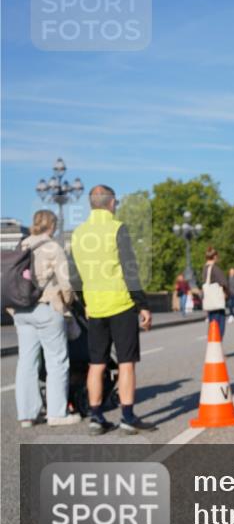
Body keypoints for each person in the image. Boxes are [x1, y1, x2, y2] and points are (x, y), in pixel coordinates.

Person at [68, 184, 156, 435]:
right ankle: (127, 417)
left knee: (96, 364)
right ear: (111, 202)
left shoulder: (78, 233)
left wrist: (85, 304)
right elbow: (130, 269)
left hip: (95, 307)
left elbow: (75, 276)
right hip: (120, 304)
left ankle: (96, 417)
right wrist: (143, 305)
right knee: (126, 362)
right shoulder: (117, 228)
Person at [10, 210, 79, 427]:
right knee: (56, 361)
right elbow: (66, 283)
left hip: (22, 310)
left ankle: (27, 415)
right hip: (47, 307)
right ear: (53, 225)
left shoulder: (21, 246)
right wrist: (67, 303)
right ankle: (57, 414)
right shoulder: (53, 247)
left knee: (27, 362)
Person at [201, 248, 230, 338]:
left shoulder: (205, 268)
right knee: (219, 323)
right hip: (216, 301)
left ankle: (213, 345)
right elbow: (224, 282)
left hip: (210, 300)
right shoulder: (214, 268)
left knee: (212, 322)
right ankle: (217, 346)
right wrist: (227, 293)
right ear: (214, 256)